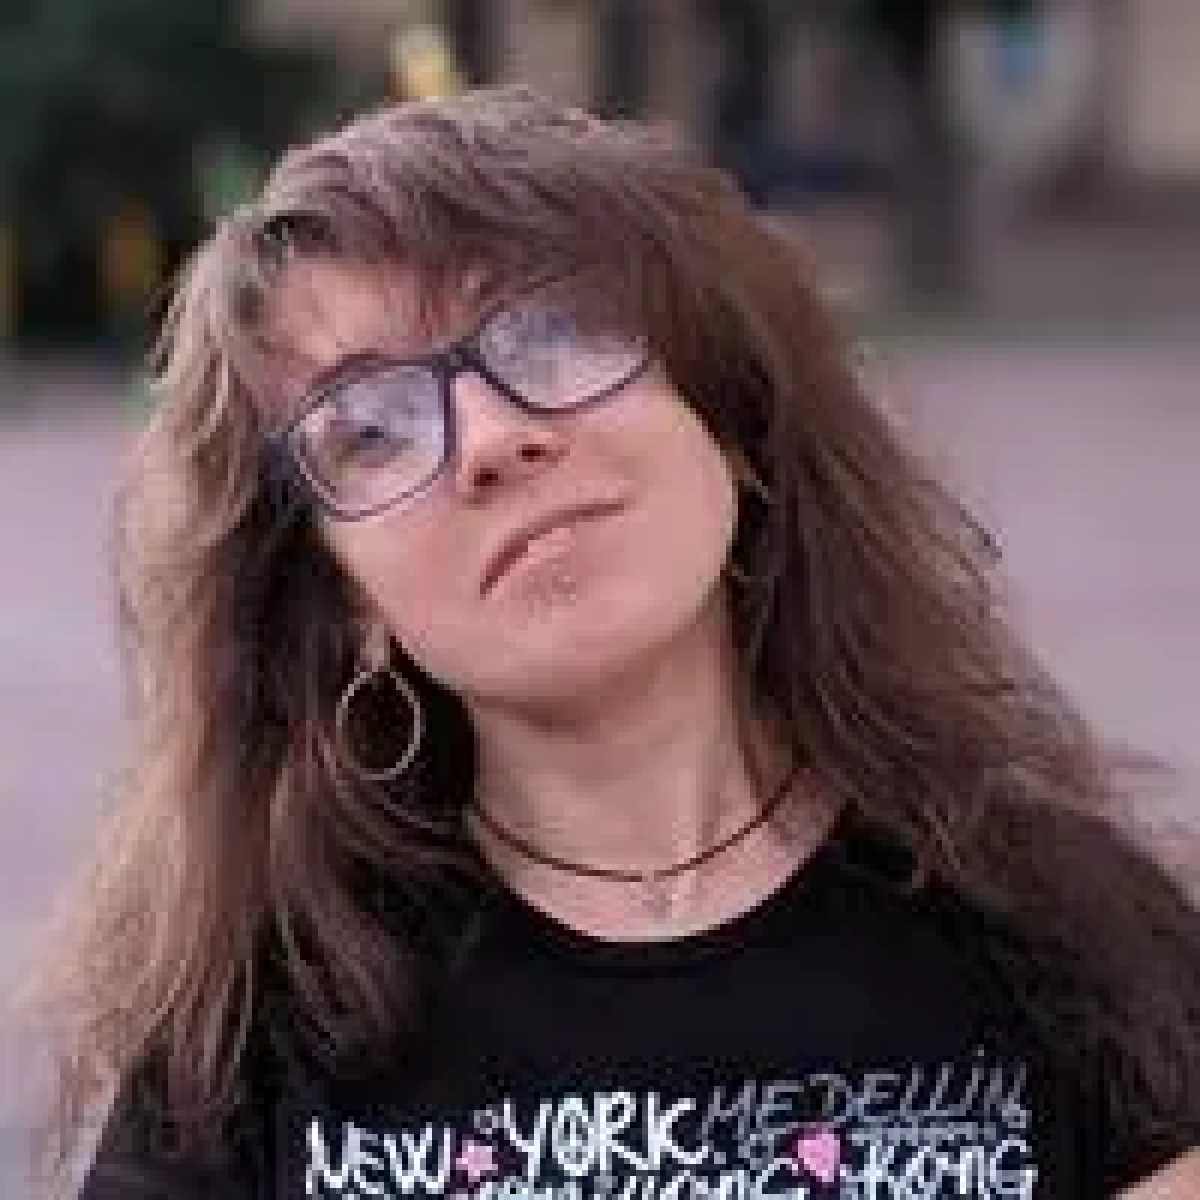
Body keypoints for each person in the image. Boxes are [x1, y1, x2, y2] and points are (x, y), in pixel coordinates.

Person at [27, 87, 1197, 1199]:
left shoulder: (1059, 932)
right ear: (347, 600)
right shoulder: (256, 1028)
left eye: (552, 335)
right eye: (370, 427)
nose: (492, 438)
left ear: (729, 420)